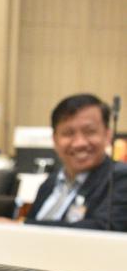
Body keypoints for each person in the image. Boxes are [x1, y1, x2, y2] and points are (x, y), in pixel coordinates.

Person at [21, 94, 126, 231]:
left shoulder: (120, 179)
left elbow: (105, 229)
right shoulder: (50, 183)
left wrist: (22, 227)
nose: (79, 143)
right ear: (55, 140)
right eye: (68, 133)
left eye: (89, 132)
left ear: (107, 135)